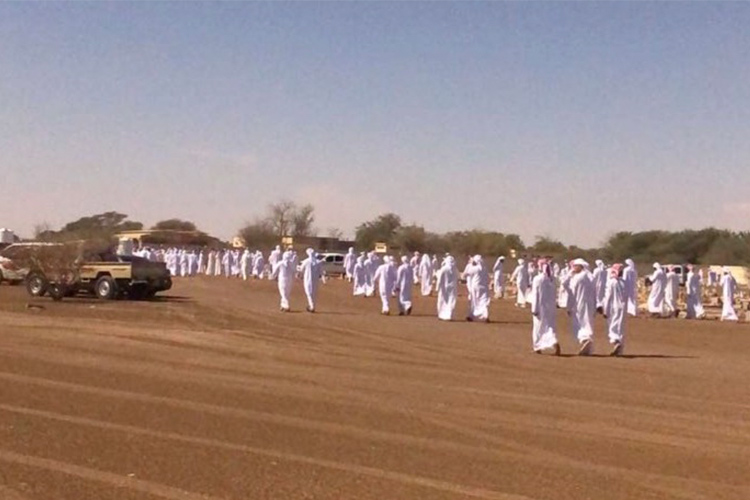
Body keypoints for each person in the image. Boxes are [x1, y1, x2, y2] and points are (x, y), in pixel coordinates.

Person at [529, 259, 560, 355]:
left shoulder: (538, 279)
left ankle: (537, 346)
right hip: (551, 308)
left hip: (540, 307)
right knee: (550, 326)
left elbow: (535, 295)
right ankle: (553, 340)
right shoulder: (553, 279)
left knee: (538, 328)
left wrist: (534, 308)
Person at [567, 258, 596, 355]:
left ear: (581, 266)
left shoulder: (578, 277)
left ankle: (585, 339)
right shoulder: (590, 276)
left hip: (579, 303)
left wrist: (569, 274)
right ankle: (588, 347)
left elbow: (569, 288)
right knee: (588, 321)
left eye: (575, 266)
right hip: (590, 303)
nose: (573, 268)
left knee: (580, 323)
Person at [603, 264, 626, 356]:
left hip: (614, 306)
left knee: (613, 326)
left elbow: (608, 297)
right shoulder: (623, 282)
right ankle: (619, 348)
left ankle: (615, 341)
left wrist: (605, 310)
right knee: (620, 327)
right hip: (623, 307)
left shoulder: (611, 282)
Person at [463, 255, 490, 322]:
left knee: (474, 301)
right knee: (484, 302)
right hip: (484, 287)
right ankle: (484, 315)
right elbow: (488, 278)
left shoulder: (475, 268)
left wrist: (470, 263)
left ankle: (472, 315)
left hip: (476, 286)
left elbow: (465, 274)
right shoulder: (484, 268)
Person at [298, 248, 322, 313]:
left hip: (307, 278)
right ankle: (312, 305)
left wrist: (297, 269)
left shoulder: (306, 261)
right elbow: (320, 272)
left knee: (308, 292)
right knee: (314, 292)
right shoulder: (318, 262)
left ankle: (312, 306)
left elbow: (301, 269)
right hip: (315, 279)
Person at [436, 256, 458, 321]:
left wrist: (437, 287)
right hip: (452, 288)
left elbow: (440, 278)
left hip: (444, 288)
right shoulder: (455, 269)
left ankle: (442, 314)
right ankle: (449, 314)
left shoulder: (444, 268)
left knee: (442, 301)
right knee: (451, 301)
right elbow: (458, 277)